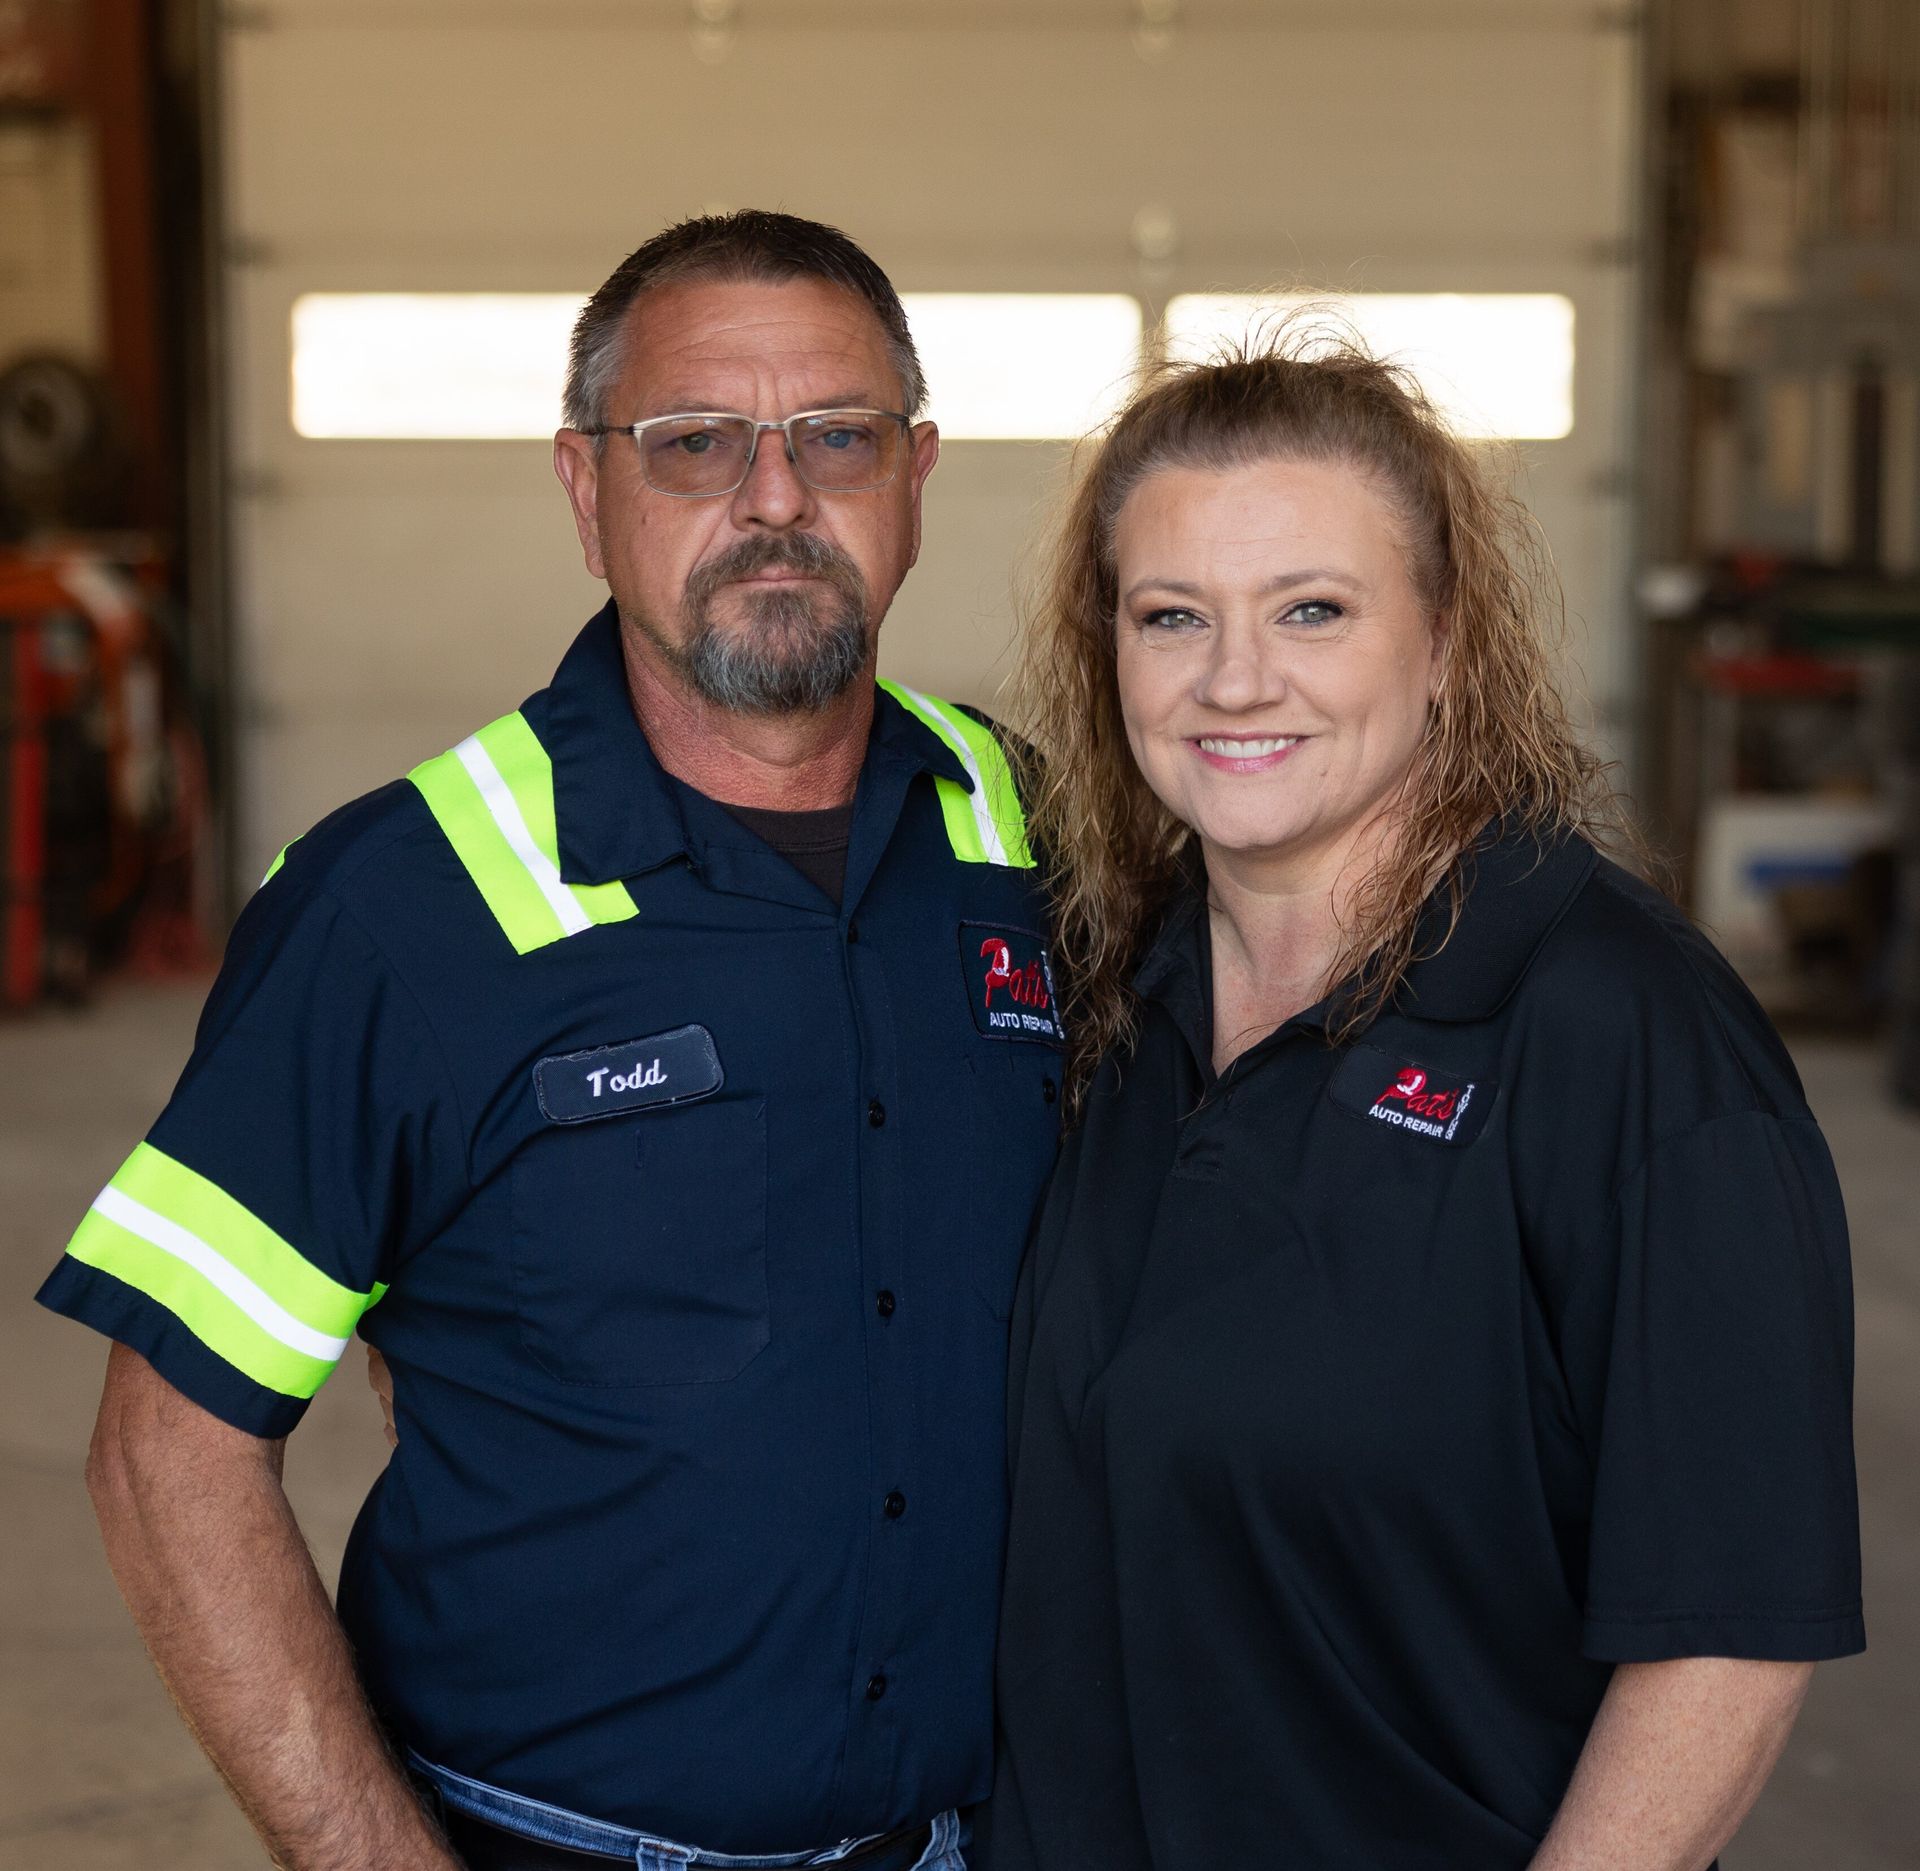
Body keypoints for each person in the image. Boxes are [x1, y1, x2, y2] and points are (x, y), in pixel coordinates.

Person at [37, 211, 1064, 1871]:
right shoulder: (400, 907)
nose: (778, 499)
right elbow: (170, 1456)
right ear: (587, 493)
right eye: (693, 446)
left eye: (838, 438)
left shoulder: (1031, 824)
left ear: (918, 475)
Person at [983, 337, 1863, 1871]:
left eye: (1312, 610)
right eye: (1172, 616)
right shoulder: (1105, 998)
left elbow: (1727, 1635)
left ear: (1447, 640)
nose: (1235, 679)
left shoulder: (1623, 1030)